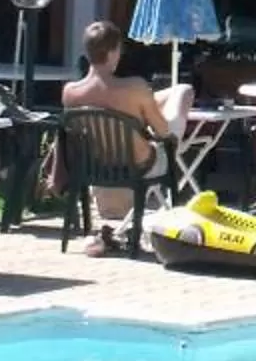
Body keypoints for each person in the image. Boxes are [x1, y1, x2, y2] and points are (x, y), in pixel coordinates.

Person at [61, 20, 194, 256]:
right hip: (141, 166)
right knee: (183, 92)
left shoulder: (70, 92)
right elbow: (163, 132)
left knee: (153, 100)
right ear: (114, 52)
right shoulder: (135, 87)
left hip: (98, 167)